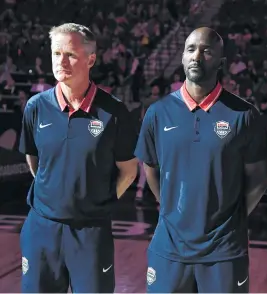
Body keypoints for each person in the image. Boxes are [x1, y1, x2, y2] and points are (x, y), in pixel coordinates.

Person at [135, 27, 267, 293]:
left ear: (221, 63)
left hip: (224, 249)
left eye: (206, 51)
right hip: (170, 245)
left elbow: (258, 180)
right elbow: (151, 169)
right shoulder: (157, 113)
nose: (196, 56)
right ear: (183, 58)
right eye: (190, 49)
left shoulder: (245, 115)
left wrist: (231, 218)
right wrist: (173, 209)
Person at [19, 23, 138, 293]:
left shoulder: (115, 112)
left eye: (70, 54)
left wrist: (96, 202)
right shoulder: (36, 107)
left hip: (90, 232)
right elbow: (34, 161)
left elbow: (129, 171)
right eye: (56, 53)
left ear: (91, 59)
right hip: (41, 228)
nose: (61, 61)